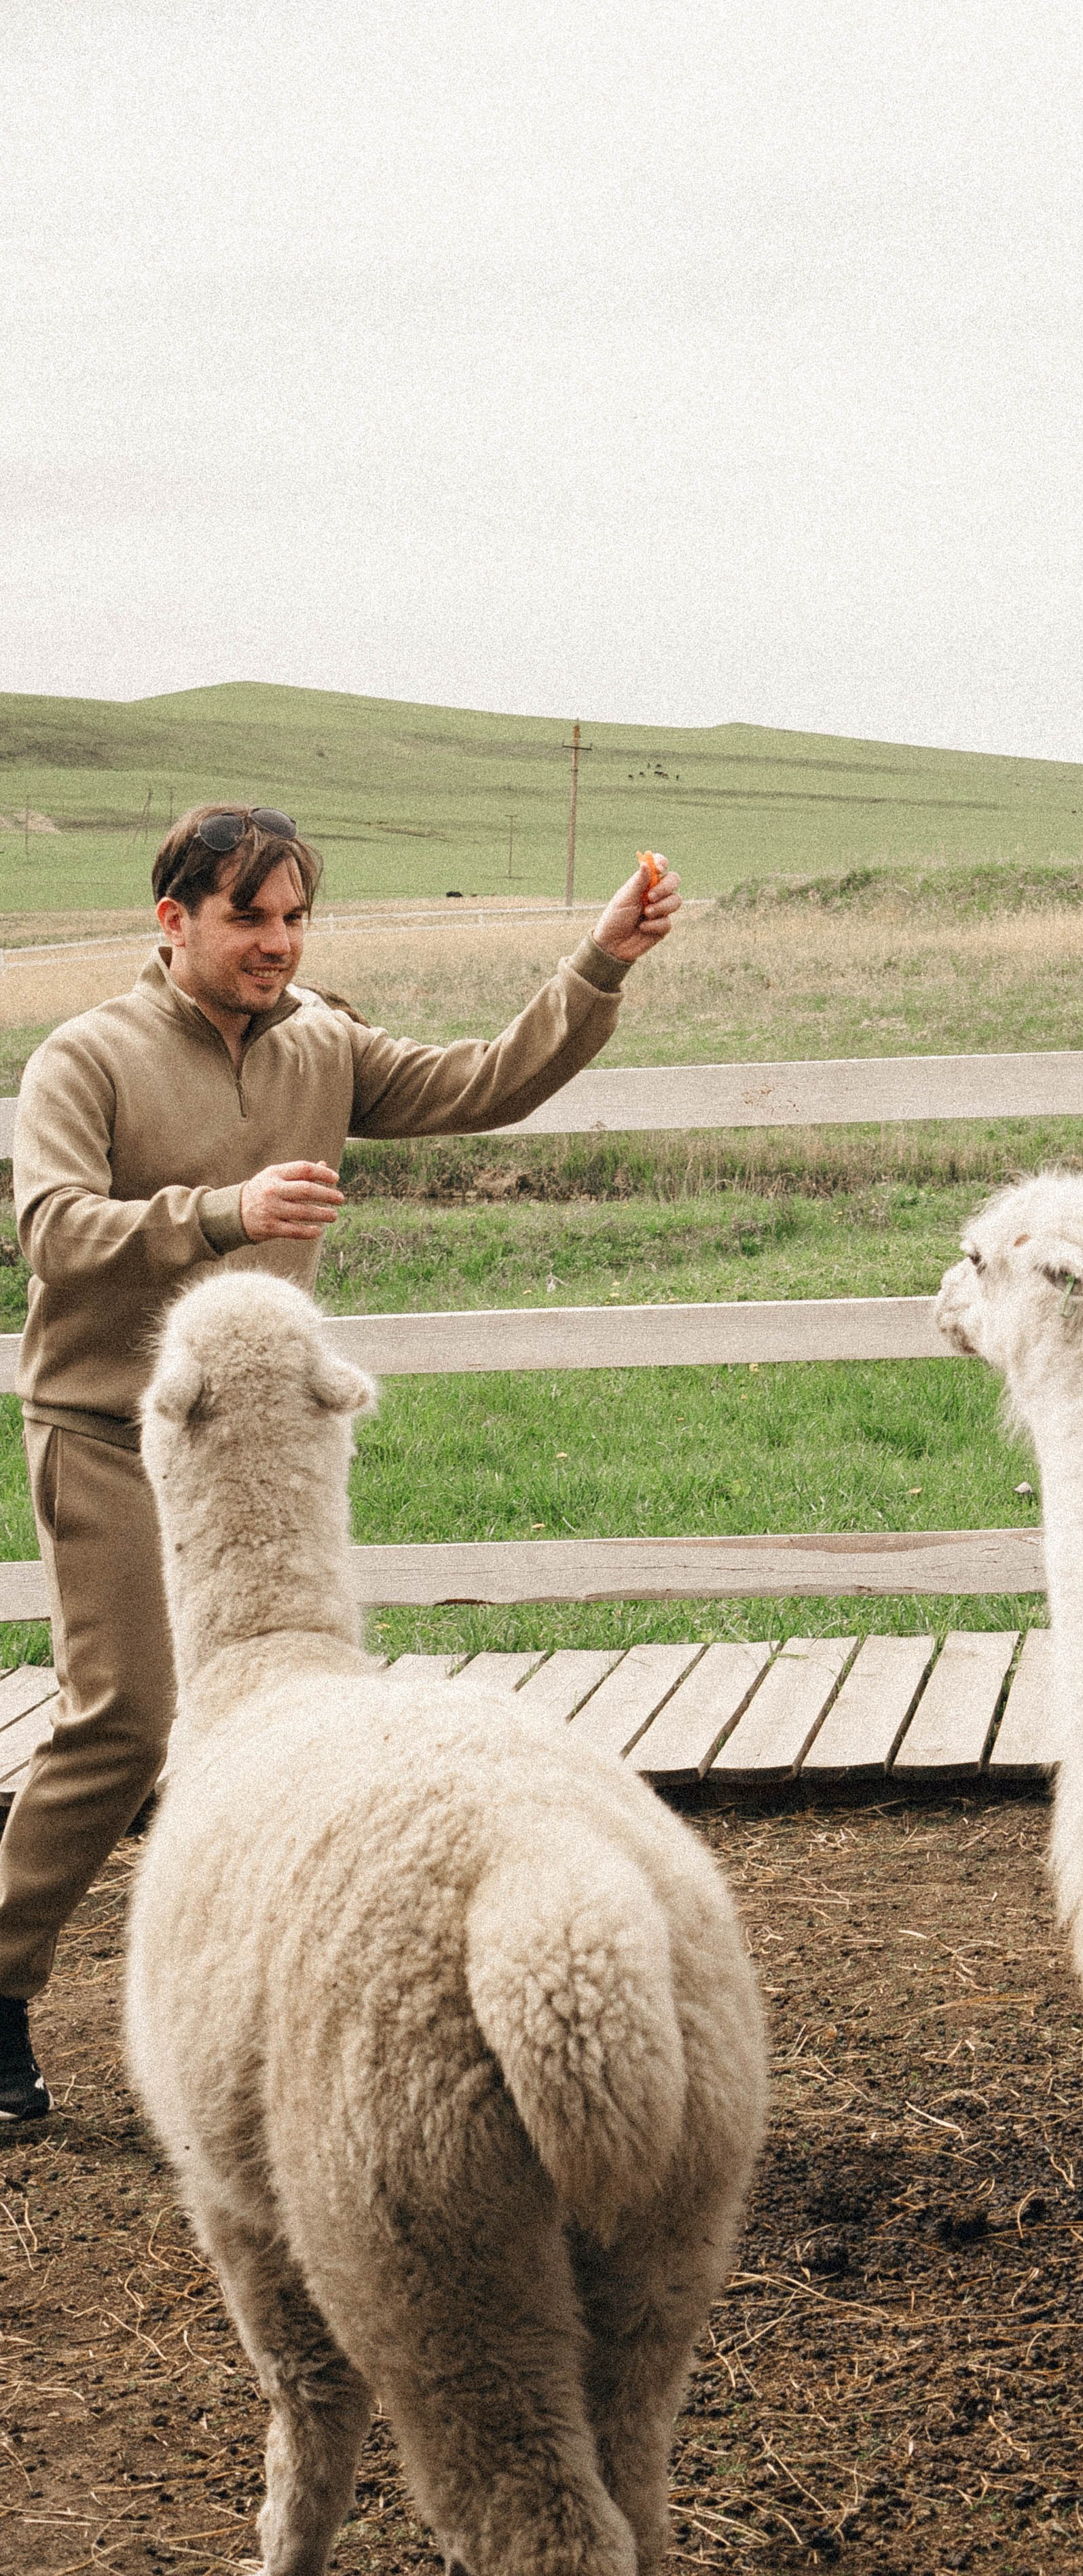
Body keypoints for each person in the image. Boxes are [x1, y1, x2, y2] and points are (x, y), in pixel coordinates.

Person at [0, 803, 680, 2120]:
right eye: (249, 916)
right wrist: (223, 1212)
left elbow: (487, 1082)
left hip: (264, 1452)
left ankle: (258, 1990)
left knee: (283, 1713)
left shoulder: (325, 1041)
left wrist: (599, 961)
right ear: (174, 919)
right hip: (109, 1434)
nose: (277, 941)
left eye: (295, 916)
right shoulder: (85, 1057)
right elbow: (53, 1229)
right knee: (128, 1719)